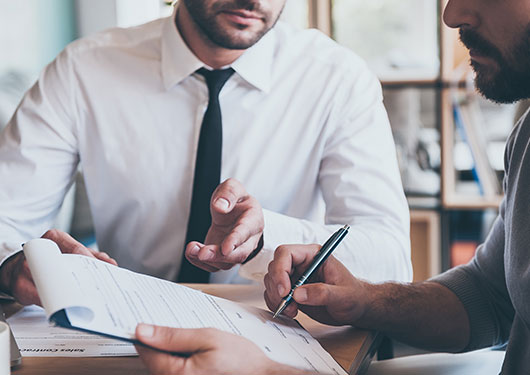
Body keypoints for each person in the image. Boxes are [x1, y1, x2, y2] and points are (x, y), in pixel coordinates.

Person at [132, 0, 530, 373]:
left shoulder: (336, 75)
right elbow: (490, 300)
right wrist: (365, 303)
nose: (452, 13)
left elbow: (395, 255)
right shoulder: (525, 138)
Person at [0, 0, 411, 305]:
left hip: (278, 331)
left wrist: (269, 237)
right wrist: (11, 266)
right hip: (120, 328)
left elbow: (389, 260)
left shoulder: (338, 79)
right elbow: (6, 217)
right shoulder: (81, 71)